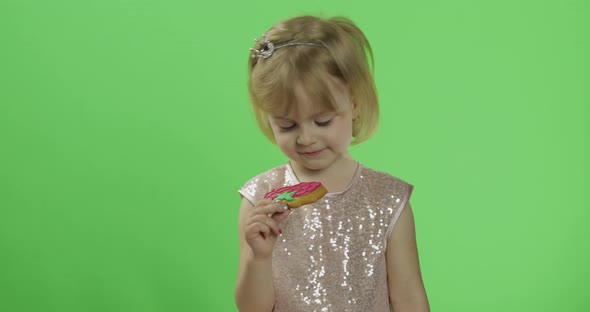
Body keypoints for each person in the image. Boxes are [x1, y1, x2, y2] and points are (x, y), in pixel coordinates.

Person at [234, 15, 430, 312]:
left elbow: (409, 300)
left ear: (353, 103)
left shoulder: (388, 200)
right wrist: (257, 257)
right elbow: (252, 308)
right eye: (287, 126)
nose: (306, 138)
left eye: (322, 121)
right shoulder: (260, 198)